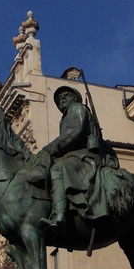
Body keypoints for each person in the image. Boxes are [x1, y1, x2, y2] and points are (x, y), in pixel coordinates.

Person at [38, 86, 117, 229]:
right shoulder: (66, 117)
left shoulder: (76, 108)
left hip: (86, 156)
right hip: (75, 156)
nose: (62, 98)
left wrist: (48, 150)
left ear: (76, 97)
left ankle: (59, 215)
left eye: (66, 95)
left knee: (57, 169)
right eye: (58, 98)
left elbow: (73, 133)